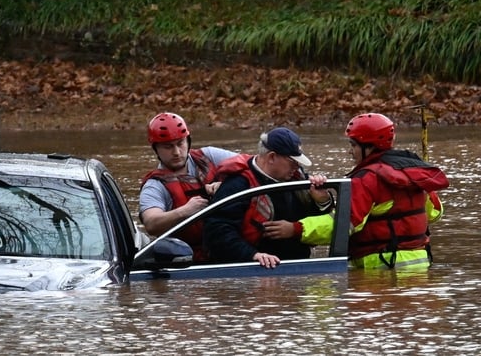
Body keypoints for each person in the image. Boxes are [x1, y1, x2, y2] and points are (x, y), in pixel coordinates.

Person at [270, 113, 449, 270]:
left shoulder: (366, 179)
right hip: (420, 263)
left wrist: (295, 229)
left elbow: (342, 227)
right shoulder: (412, 172)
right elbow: (434, 213)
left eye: (353, 145)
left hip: (381, 268)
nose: (350, 152)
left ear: (368, 147)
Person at [203, 127, 333, 268]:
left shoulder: (297, 179)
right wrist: (253, 255)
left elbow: (318, 226)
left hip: (296, 267)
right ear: (271, 157)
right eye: (293, 161)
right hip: (257, 270)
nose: (297, 166)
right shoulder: (237, 185)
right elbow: (217, 232)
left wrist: (322, 201)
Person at [138, 112, 237, 261]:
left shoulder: (210, 156)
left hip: (234, 245)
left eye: (180, 143)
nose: (176, 152)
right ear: (156, 149)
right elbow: (152, 224)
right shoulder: (155, 186)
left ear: (188, 141)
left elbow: (253, 167)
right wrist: (185, 211)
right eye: (168, 147)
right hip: (194, 259)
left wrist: (227, 185)